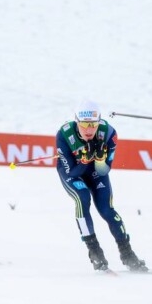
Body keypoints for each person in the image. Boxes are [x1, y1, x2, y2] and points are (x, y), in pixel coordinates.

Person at [56, 101, 146, 272]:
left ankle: (127, 253)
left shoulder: (109, 133)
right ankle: (94, 251)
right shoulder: (64, 134)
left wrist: (99, 160)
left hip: (96, 173)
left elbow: (104, 171)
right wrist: (85, 160)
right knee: (82, 198)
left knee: (107, 210)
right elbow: (72, 172)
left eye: (93, 124)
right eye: (84, 125)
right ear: (77, 122)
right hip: (73, 172)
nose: (89, 130)